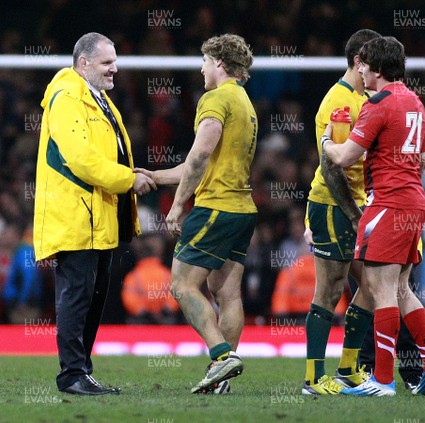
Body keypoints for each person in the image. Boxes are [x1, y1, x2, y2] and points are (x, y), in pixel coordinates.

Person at [322, 36, 425, 396]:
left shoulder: (378, 104)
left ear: (376, 69)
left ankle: (381, 381)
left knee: (380, 291)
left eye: (362, 64)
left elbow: (345, 157)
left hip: (388, 203)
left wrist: (326, 143)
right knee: (401, 289)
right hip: (414, 201)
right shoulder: (414, 101)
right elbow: (422, 158)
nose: (358, 70)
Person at [33, 32, 156, 396]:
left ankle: (81, 371)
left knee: (93, 296)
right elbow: (83, 160)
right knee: (77, 296)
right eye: (106, 63)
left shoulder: (95, 98)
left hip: (98, 216)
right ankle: (71, 374)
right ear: (83, 63)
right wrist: (127, 180)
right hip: (78, 216)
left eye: (114, 61)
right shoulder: (68, 97)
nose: (114, 69)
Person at [135, 34, 258, 394]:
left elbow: (200, 156)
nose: (201, 68)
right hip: (243, 210)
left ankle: (221, 357)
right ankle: (224, 375)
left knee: (182, 285)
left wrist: (176, 206)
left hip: (215, 208)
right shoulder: (245, 103)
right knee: (228, 294)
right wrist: (156, 176)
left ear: (219, 62)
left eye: (204, 61)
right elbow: (202, 163)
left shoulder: (215, 99)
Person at [302, 29, 380, 395]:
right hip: (336, 206)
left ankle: (349, 367)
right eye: (373, 62)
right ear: (358, 62)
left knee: (372, 284)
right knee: (330, 291)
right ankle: (313, 378)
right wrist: (353, 213)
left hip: (354, 205)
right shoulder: (341, 102)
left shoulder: (362, 98)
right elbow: (332, 167)